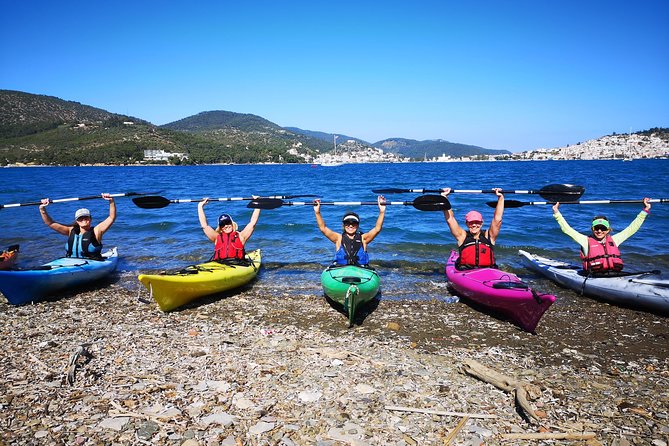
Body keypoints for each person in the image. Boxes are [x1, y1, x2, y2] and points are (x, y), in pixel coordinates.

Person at [552, 198, 651, 273]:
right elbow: (567, 229)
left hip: (614, 273)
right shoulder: (585, 241)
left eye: (603, 228)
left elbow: (632, 229)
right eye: (596, 228)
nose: (599, 231)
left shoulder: (615, 239)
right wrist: (556, 211)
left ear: (608, 230)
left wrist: (645, 210)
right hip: (593, 276)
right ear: (592, 229)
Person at [441, 188, 504, 269]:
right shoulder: (462, 236)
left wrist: (500, 197)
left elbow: (498, 219)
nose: (474, 225)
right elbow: (450, 220)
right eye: (471, 222)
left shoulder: (489, 236)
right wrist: (444, 198)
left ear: (481, 223)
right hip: (466, 272)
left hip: (488, 271)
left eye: (477, 222)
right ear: (466, 224)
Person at [39, 193, 116, 259]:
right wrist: (42, 209)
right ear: (77, 221)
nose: (84, 219)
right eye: (80, 218)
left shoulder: (96, 231)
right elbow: (50, 223)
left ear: (90, 219)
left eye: (86, 217)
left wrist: (111, 201)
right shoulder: (70, 231)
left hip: (92, 264)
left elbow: (111, 218)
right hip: (71, 262)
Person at [313, 196, 386, 266]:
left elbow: (377, 229)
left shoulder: (364, 238)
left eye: (354, 223)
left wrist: (382, 211)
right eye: (347, 223)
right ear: (343, 225)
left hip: (360, 270)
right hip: (341, 269)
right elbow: (323, 228)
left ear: (358, 225)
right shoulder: (338, 238)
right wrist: (317, 212)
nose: (350, 226)